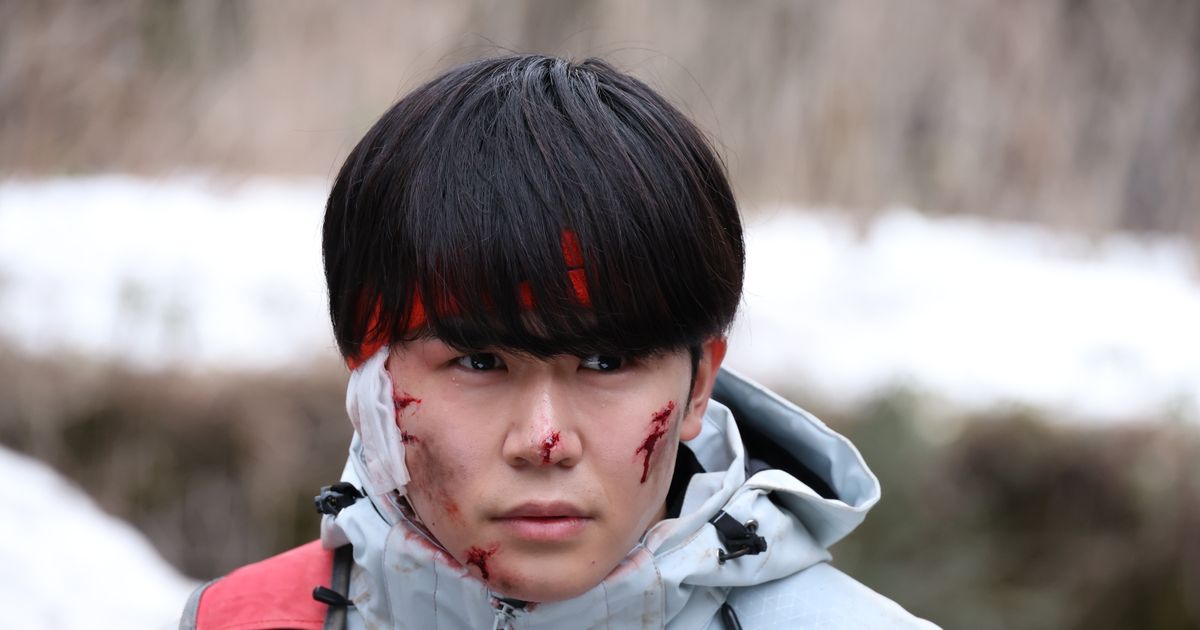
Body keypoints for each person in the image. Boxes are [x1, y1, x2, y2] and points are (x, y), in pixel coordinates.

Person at [179, 54, 938, 629]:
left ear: (699, 385)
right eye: (479, 361)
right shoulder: (238, 621)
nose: (544, 442)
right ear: (368, 374)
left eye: (606, 361)